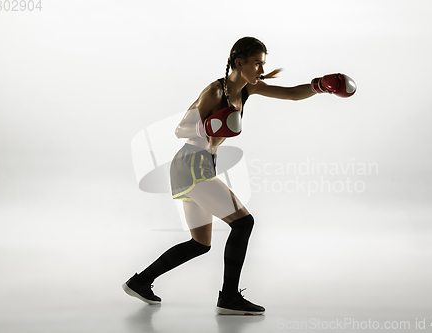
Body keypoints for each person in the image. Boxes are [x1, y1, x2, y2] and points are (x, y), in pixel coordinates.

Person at [122, 36, 356, 315]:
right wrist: (209, 126)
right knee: (244, 223)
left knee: (200, 244)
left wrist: (320, 86)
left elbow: (292, 93)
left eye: (262, 64)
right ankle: (229, 297)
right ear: (238, 62)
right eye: (257, 63)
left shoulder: (247, 89)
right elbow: (180, 130)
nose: (261, 70)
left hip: (199, 164)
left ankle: (140, 281)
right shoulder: (215, 91)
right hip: (191, 162)